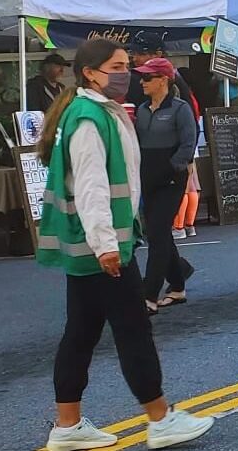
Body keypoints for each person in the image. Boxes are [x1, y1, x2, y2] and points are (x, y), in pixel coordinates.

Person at [35, 39, 215, 451]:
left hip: (90, 246)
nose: (125, 75)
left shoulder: (88, 111)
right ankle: (160, 417)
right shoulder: (88, 118)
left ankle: (68, 424)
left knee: (81, 332)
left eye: (126, 67)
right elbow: (92, 186)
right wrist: (105, 245)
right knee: (133, 330)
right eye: (116, 66)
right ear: (90, 73)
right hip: (103, 246)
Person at [131, 58, 197, 314]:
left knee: (158, 233)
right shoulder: (143, 109)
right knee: (157, 232)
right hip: (147, 176)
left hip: (170, 179)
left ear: (163, 80)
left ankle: (149, 294)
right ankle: (178, 281)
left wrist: (172, 168)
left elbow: (188, 144)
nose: (142, 82)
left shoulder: (180, 109)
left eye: (148, 78)